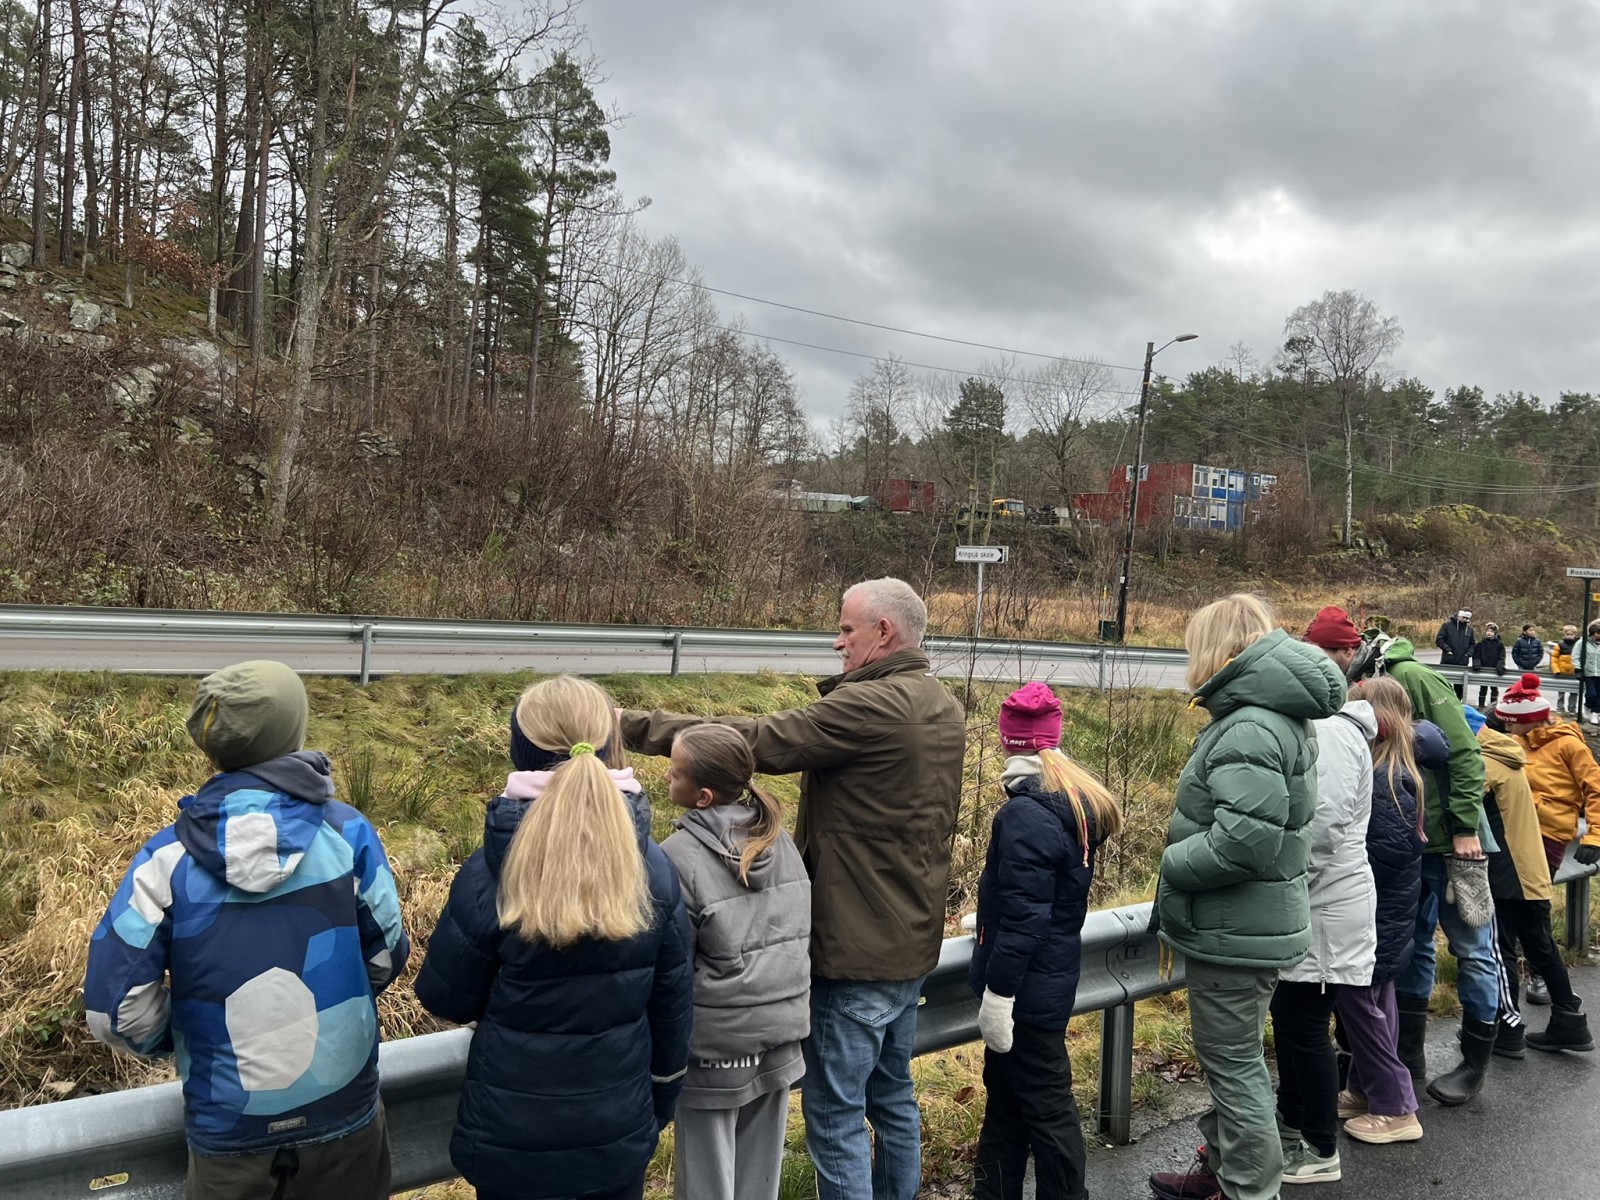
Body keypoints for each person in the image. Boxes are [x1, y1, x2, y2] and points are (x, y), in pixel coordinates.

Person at [619, 578, 965, 1200]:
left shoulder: (874, 706)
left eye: (846, 630)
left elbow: (751, 744)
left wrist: (631, 727)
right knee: (892, 1100)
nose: (837, 642)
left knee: (835, 1118)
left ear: (883, 632)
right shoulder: (940, 702)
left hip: (855, 952)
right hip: (909, 942)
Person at [84, 661, 410, 1199]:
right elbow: (385, 957)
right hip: (345, 1119)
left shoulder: (164, 862)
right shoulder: (349, 833)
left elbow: (116, 1011)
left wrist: (201, 1034)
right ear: (295, 733)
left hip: (229, 1135)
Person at [415, 676, 693, 1200]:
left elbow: (444, 996)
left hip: (511, 1130)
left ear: (521, 750)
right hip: (616, 1126)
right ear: (610, 744)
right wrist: (656, 1107)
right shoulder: (654, 866)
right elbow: (673, 1008)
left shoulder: (490, 869)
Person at [1148, 594, 1345, 1200]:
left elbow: (1244, 844)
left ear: (1214, 648)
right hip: (1249, 926)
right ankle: (1225, 1174)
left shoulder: (1250, 726)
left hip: (1234, 932)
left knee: (1234, 1071)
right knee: (1236, 1065)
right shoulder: (1269, 715)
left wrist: (1171, 862)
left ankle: (1250, 1190)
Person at [968, 683, 1122, 1200]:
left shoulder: (1024, 813)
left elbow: (1027, 918)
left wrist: (999, 996)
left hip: (1024, 993)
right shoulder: (1068, 801)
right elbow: (1038, 901)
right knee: (1009, 1106)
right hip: (1047, 978)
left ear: (1008, 743)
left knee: (1047, 1111)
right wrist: (986, 918)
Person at [659, 725, 812, 1200]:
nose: (666, 774)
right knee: (758, 1182)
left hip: (715, 1046)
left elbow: (673, 968)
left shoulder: (675, 857)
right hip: (781, 1035)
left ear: (702, 796)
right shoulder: (778, 840)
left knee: (706, 1184)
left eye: (675, 770)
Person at [1266, 606, 1378, 1185]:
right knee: (1293, 1018)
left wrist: (1276, 882)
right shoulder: (1332, 726)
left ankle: (1319, 1148)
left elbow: (1323, 826)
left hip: (1326, 904)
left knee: (1304, 1022)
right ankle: (1295, 1127)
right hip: (1325, 901)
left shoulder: (1332, 733)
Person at [1369, 632, 1499, 1106]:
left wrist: (1465, 826)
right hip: (1415, 842)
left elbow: (1465, 751)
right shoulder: (1369, 687)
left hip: (1456, 844)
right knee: (1415, 945)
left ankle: (1474, 1062)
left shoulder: (1414, 677)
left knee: (1472, 947)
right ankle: (1410, 1055)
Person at [1335, 677, 1442, 1145]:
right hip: (1391, 914)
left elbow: (1378, 854)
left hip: (1374, 914)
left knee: (1358, 1002)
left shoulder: (1384, 780)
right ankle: (1363, 1088)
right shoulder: (1403, 772)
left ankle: (1397, 1105)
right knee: (1379, 1000)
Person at [1475, 683, 1594, 1054]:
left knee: (1511, 932)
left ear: (1525, 721)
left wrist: (1593, 838)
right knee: (1533, 933)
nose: (1507, 729)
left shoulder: (1568, 745)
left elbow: (1596, 788)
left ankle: (1508, 1027)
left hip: (1541, 841)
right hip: (1518, 835)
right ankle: (1568, 1017)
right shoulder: (1518, 745)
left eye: (1511, 724)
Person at [1436, 609, 1475, 699]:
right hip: (1447, 660)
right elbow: (1439, 639)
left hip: (1462, 662)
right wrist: (1447, 650)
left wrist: (1468, 654)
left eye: (1467, 618)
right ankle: (1443, 701)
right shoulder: (1447, 626)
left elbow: (1472, 644)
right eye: (1464, 617)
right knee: (1444, 684)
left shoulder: (1469, 630)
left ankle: (1458, 702)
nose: (1465, 620)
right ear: (1459, 616)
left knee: (1459, 688)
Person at [1470, 621, 1506, 709]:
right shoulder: (1481, 644)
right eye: (1488, 631)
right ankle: (1481, 706)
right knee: (1483, 688)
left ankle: (1493, 707)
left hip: (1494, 669)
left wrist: (1500, 666)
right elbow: (1476, 655)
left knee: (1494, 689)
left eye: (1491, 631)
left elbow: (1502, 656)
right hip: (1483, 669)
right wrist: (1477, 665)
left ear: (1495, 633)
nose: (1489, 633)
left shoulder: (1499, 644)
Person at [1550, 625, 1579, 715]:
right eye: (1567, 634)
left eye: (1571, 634)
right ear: (1564, 634)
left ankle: (1572, 708)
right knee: (1561, 692)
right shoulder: (1560, 645)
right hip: (1562, 672)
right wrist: (1556, 670)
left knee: (1574, 693)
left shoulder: (1578, 645)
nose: (1569, 636)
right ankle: (1560, 708)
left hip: (1574, 672)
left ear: (1575, 634)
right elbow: (1554, 658)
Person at [1577, 621, 1600, 724]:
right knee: (1591, 694)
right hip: (1589, 673)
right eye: (1598, 633)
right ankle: (1587, 706)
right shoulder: (1583, 642)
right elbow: (1576, 656)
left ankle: (1595, 713)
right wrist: (1578, 669)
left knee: (1599, 695)